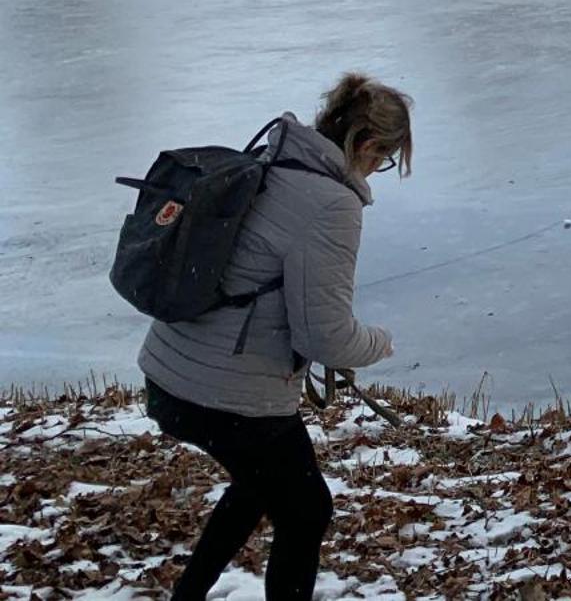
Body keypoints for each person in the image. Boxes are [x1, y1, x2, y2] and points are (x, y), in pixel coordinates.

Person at [141, 75, 412, 601]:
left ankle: (187, 595)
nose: (377, 171)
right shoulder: (334, 204)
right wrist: (379, 343)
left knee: (260, 484)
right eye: (383, 161)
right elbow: (326, 337)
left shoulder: (271, 160)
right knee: (308, 510)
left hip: (168, 373)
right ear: (368, 146)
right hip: (227, 399)